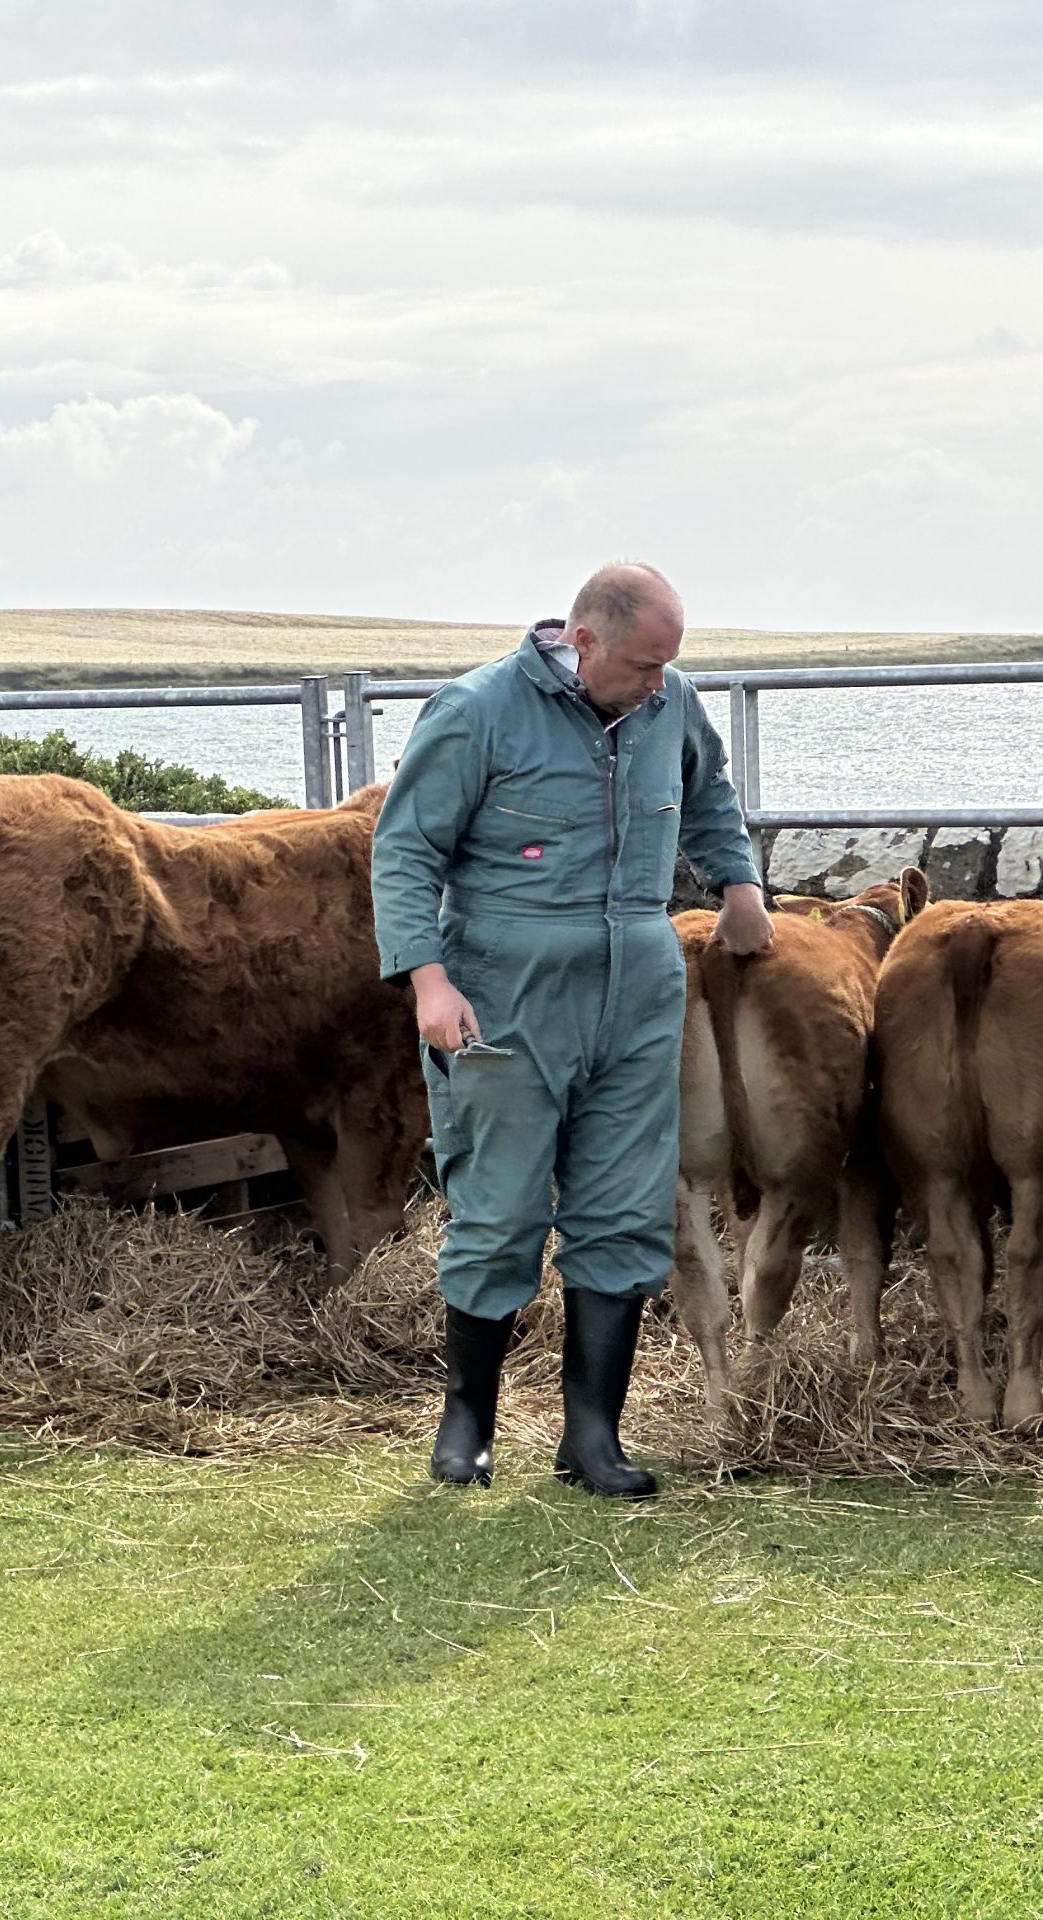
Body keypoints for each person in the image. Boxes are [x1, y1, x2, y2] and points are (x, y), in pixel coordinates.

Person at [372, 563, 772, 1500]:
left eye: (669, 665)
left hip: (637, 984)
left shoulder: (670, 704)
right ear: (583, 642)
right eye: (642, 664)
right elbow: (404, 847)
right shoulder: (475, 710)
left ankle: (592, 1436)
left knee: (626, 1207)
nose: (657, 682)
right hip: (504, 986)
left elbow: (709, 794)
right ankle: (467, 1420)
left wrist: (739, 883)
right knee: (500, 1208)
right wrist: (427, 979)